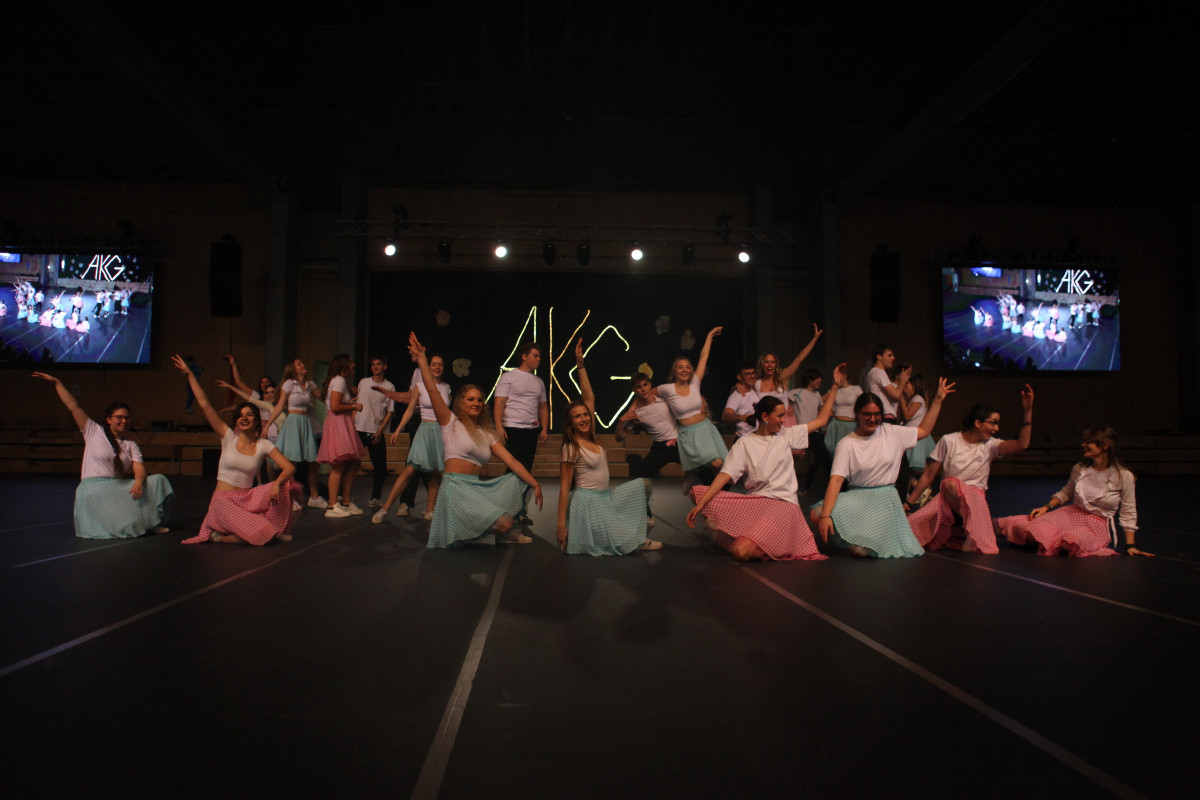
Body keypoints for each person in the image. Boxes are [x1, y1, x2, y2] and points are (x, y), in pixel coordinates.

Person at [686, 366, 844, 561]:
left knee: (741, 551)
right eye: (779, 416)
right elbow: (725, 475)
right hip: (756, 503)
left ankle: (749, 540)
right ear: (764, 417)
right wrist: (702, 504)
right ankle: (755, 538)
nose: (784, 420)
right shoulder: (745, 443)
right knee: (696, 493)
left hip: (782, 505)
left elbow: (821, 420)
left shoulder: (786, 435)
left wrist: (835, 387)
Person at [408, 332, 543, 548]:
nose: (476, 403)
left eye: (480, 400)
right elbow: (432, 390)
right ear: (461, 402)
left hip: (476, 488)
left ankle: (482, 528)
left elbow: (512, 461)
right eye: (470, 399)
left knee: (514, 487)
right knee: (503, 525)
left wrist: (534, 483)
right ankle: (478, 527)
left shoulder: (486, 434)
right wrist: (423, 359)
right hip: (455, 488)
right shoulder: (450, 422)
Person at [810, 379, 954, 558]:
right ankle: (854, 539)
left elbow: (923, 430)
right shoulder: (847, 444)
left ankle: (864, 540)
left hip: (884, 499)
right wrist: (825, 516)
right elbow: (836, 480)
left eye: (877, 414)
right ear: (857, 414)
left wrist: (938, 400)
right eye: (867, 414)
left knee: (866, 550)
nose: (872, 419)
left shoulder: (892, 432)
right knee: (817, 513)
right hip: (857, 497)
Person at [172, 355, 301, 545]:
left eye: (249, 415)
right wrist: (190, 374)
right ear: (237, 421)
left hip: (247, 500)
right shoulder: (228, 437)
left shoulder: (263, 445)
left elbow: (289, 468)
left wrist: (277, 483)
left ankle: (261, 529)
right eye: (240, 416)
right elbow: (205, 405)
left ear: (257, 421)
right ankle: (222, 537)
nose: (244, 418)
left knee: (286, 485)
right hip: (223, 502)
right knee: (263, 532)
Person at [32, 372, 173, 539]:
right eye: (119, 417)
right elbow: (73, 406)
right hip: (95, 487)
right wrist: (57, 383)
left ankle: (151, 523)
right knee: (126, 526)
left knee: (158, 480)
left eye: (127, 418)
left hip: (119, 486)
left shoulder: (131, 445)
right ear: (108, 419)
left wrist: (138, 482)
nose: (123, 421)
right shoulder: (94, 431)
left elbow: (139, 469)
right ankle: (135, 523)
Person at [557, 340, 661, 555]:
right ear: (571, 423)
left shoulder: (593, 438)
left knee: (642, 484)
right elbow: (564, 488)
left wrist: (580, 365)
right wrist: (561, 526)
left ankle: (637, 531)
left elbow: (589, 397)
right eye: (577, 417)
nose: (584, 419)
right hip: (587, 503)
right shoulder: (571, 447)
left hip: (605, 497)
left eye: (585, 414)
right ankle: (634, 537)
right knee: (624, 543)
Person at [905, 386, 1034, 553]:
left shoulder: (990, 445)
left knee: (952, 485)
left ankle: (973, 528)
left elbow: (1022, 444)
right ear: (978, 423)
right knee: (910, 529)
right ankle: (973, 528)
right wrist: (908, 503)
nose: (996, 428)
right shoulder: (949, 440)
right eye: (993, 423)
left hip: (975, 502)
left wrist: (1028, 412)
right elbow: (928, 475)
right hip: (947, 502)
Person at [996, 427, 1151, 557]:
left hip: (1096, 524)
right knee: (1033, 529)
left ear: (1105, 445)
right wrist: (1046, 507)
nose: (1083, 445)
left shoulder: (1124, 476)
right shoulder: (1080, 469)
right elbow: (1066, 493)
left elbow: (1128, 511)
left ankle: (1041, 541)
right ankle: (1025, 536)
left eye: (1088, 442)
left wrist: (1130, 545)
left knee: (1072, 540)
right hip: (1071, 514)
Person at [372, 352, 450, 523]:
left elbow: (448, 413)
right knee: (410, 470)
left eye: (440, 364)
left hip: (440, 432)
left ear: (443, 368)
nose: (437, 367)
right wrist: (398, 429)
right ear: (428, 367)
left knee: (436, 473)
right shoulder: (420, 386)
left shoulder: (446, 387)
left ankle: (430, 510)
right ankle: (385, 509)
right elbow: (410, 409)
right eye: (434, 364)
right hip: (424, 430)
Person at [656, 326, 727, 482]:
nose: (685, 370)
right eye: (680, 367)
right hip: (689, 433)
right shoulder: (667, 389)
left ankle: (696, 479)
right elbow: (646, 395)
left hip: (706, 427)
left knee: (724, 465)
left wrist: (709, 336)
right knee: (716, 463)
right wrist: (633, 410)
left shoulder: (695, 382)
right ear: (674, 371)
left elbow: (703, 357)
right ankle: (694, 476)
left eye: (688, 367)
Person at [494, 341, 549, 524]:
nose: (539, 359)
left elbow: (543, 407)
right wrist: (499, 427)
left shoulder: (539, 381)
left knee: (526, 470)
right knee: (514, 469)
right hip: (512, 427)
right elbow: (499, 403)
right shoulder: (509, 377)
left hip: (531, 429)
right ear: (524, 356)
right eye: (535, 355)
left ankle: (520, 510)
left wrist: (544, 428)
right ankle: (505, 508)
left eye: (539, 356)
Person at [616, 372, 681, 526]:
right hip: (660, 448)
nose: (643, 389)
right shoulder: (636, 413)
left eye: (645, 385)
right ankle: (646, 515)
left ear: (650, 385)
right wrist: (621, 421)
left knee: (705, 472)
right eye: (639, 387)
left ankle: (713, 513)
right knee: (639, 481)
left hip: (679, 444)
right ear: (634, 390)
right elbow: (619, 437)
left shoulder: (663, 399)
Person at [270, 358, 326, 508]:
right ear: (293, 369)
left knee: (313, 462)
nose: (303, 365)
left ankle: (314, 497)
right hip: (293, 423)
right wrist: (267, 425)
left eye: (303, 363)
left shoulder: (310, 384)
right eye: (299, 364)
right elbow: (280, 405)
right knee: (292, 463)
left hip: (306, 423)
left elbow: (323, 398)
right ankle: (289, 499)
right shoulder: (289, 384)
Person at [317, 354, 367, 517]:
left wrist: (351, 401)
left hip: (343, 422)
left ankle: (346, 501)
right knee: (339, 464)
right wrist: (354, 406)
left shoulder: (340, 381)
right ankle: (332, 506)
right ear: (344, 364)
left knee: (353, 462)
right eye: (351, 362)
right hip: (338, 422)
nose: (354, 364)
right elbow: (335, 406)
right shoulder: (338, 380)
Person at [754, 323, 823, 428]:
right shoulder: (756, 383)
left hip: (784, 422)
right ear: (762, 364)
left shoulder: (782, 377)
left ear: (776, 364)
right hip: (765, 423)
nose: (770, 365)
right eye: (767, 362)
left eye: (772, 362)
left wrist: (814, 339)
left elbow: (799, 359)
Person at [356, 355, 395, 509]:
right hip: (358, 428)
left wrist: (379, 432)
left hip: (375, 431)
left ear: (385, 366)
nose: (375, 367)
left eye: (379, 364)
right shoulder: (363, 382)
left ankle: (375, 498)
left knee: (380, 468)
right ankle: (342, 496)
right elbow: (358, 403)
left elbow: (390, 412)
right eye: (373, 364)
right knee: (350, 464)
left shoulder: (389, 386)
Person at [791, 367, 833, 494]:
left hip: (815, 432)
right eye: (817, 378)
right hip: (801, 432)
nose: (820, 381)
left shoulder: (817, 395)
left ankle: (807, 487)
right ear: (809, 379)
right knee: (791, 460)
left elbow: (821, 410)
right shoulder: (796, 392)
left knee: (822, 459)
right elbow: (783, 401)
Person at [863, 344, 909, 422]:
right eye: (889, 355)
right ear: (879, 356)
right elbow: (896, 396)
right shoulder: (880, 372)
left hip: (880, 415)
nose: (893, 358)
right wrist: (902, 380)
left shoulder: (871, 372)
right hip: (885, 416)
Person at [721, 361, 761, 437]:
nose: (752, 376)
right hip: (744, 437)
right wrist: (743, 417)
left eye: (753, 373)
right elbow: (725, 416)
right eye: (747, 374)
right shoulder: (736, 395)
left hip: (756, 437)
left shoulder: (753, 390)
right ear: (739, 377)